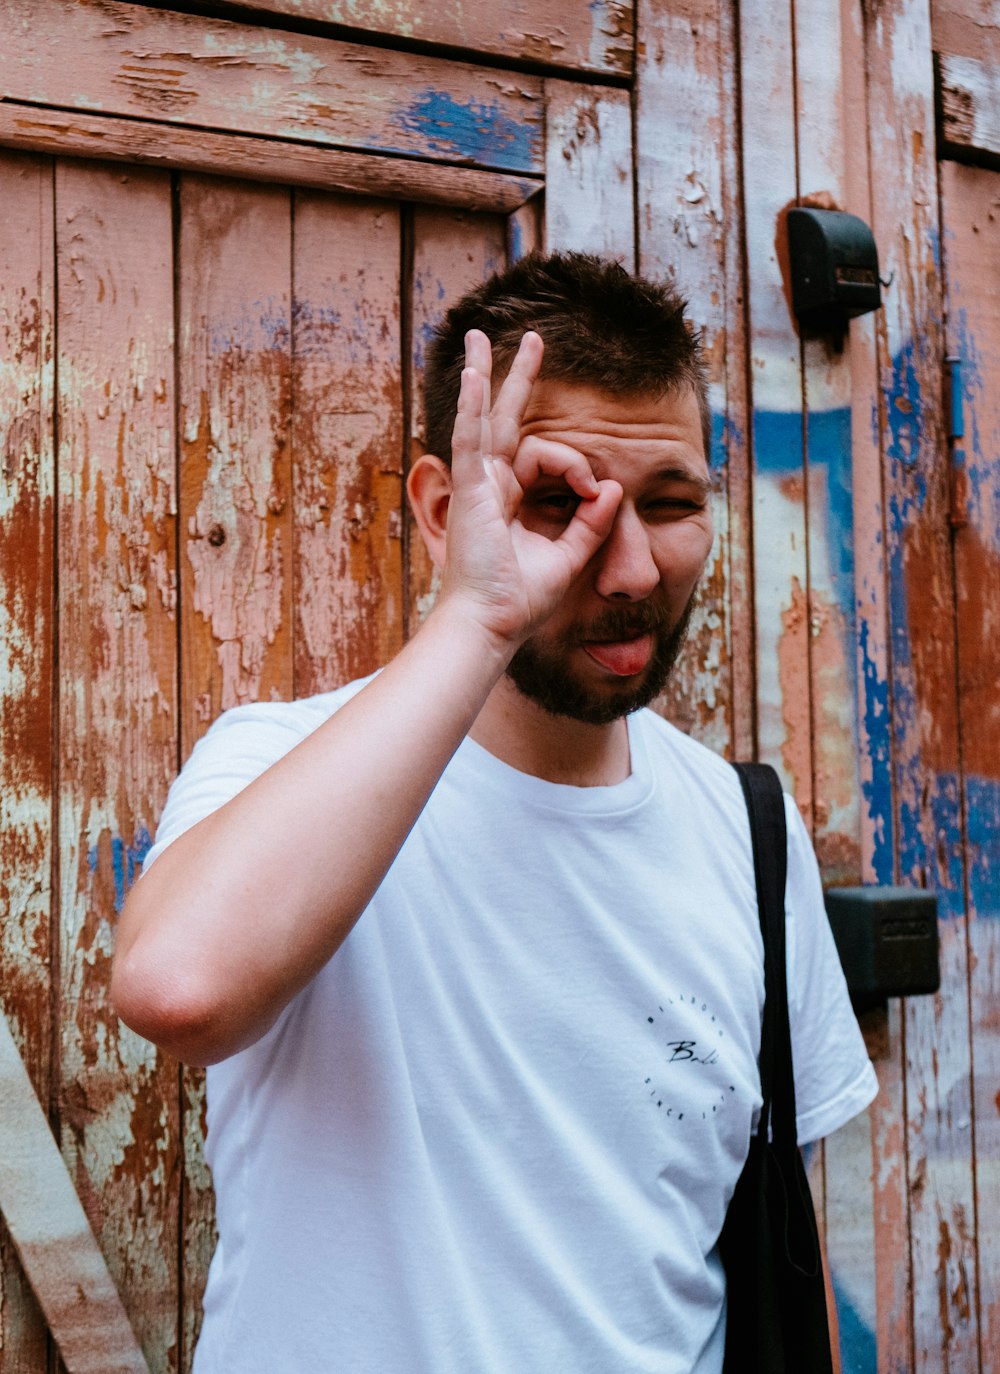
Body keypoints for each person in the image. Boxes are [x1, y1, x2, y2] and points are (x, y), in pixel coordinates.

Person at [112, 253, 877, 1374]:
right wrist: (477, 616)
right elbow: (180, 990)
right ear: (442, 508)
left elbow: (738, 1249)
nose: (626, 568)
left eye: (669, 505)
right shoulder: (279, 761)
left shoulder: (745, 831)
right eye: (555, 503)